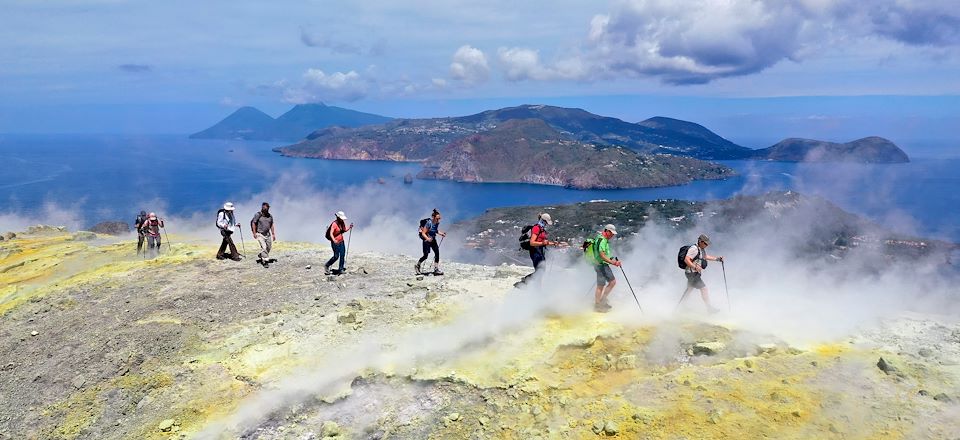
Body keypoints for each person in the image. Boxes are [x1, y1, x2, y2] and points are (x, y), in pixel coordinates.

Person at [679, 234, 724, 314]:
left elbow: (705, 257)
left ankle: (681, 306)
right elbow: (686, 260)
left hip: (693, 273)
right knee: (704, 289)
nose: (707, 245)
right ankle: (709, 308)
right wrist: (695, 267)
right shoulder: (694, 249)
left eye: (707, 244)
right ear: (700, 241)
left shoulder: (701, 249)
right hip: (692, 274)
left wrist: (717, 259)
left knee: (689, 289)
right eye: (705, 243)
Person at [517, 213, 559, 286]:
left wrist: (553, 243)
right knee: (539, 271)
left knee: (541, 271)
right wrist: (543, 243)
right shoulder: (536, 228)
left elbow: (543, 242)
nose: (546, 224)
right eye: (546, 222)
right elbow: (532, 243)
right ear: (543, 221)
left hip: (540, 251)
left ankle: (531, 285)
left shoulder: (542, 230)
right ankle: (525, 282)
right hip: (535, 252)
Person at [591, 224, 621, 312]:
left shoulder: (602, 239)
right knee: (602, 285)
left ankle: (601, 301)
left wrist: (612, 259)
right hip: (600, 265)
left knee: (607, 283)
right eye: (611, 233)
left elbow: (606, 254)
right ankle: (598, 304)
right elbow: (602, 255)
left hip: (601, 264)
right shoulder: (602, 240)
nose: (612, 235)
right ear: (607, 231)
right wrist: (613, 262)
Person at [416, 208, 446, 275]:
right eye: (437, 218)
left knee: (437, 253)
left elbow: (435, 230)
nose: (438, 220)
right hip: (426, 240)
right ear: (433, 217)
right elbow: (423, 233)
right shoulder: (429, 223)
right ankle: (417, 266)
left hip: (433, 239)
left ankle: (436, 269)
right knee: (425, 256)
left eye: (439, 218)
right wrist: (427, 238)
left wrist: (441, 234)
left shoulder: (437, 223)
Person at [324, 211, 353, 275]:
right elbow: (331, 233)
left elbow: (344, 230)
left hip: (341, 241)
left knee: (342, 255)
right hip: (335, 242)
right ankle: (327, 265)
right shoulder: (334, 224)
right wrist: (334, 240)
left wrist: (349, 227)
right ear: (338, 217)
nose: (342, 219)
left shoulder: (342, 222)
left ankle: (341, 269)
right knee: (336, 256)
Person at [251, 202, 277, 268]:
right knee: (264, 247)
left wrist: (273, 234)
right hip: (260, 234)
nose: (265, 209)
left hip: (268, 234)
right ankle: (265, 261)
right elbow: (253, 223)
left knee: (268, 247)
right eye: (263, 208)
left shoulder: (270, 216)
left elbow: (271, 225)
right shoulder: (258, 215)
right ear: (262, 208)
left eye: (266, 208)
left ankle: (261, 255)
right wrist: (254, 233)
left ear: (268, 208)